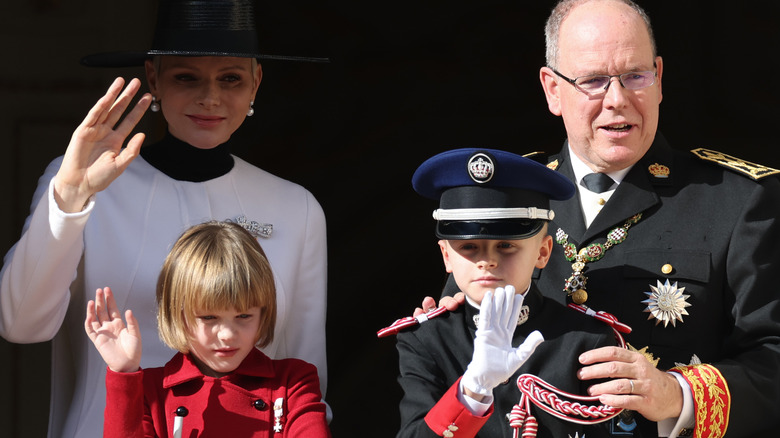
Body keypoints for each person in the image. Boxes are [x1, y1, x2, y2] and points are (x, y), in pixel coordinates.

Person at [418, 1, 780, 436]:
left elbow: (771, 361)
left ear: (659, 79)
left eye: (635, 77)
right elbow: (450, 356)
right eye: (593, 80)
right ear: (553, 89)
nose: (618, 100)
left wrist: (675, 393)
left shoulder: (737, 202)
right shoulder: (504, 200)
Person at [0, 1, 329, 437]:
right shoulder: (83, 181)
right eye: (185, 77)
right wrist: (71, 196)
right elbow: (21, 324)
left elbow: (305, 375)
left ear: (256, 83)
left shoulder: (295, 206)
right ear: (153, 78)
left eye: (230, 78)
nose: (209, 97)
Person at [383, 148, 628, 437]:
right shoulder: (426, 340)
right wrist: (471, 390)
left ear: (543, 252)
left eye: (506, 246)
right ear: (446, 256)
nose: (488, 261)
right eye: (469, 247)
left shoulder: (585, 338)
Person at [84, 221, 330, 437]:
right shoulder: (150, 390)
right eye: (209, 317)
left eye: (244, 315)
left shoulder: (293, 382)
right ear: (177, 315)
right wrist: (124, 375)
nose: (227, 334)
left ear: (264, 312)